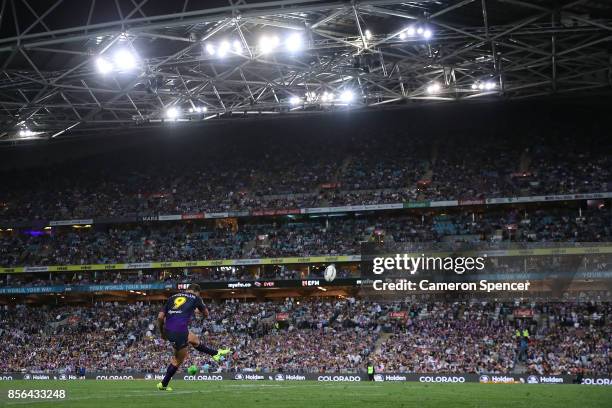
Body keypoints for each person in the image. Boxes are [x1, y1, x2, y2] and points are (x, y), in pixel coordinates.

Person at [156, 284, 231, 391]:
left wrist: (162, 333)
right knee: (178, 360)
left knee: (194, 339)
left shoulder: (172, 298)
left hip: (169, 329)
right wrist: (198, 311)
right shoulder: (196, 298)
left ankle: (215, 353)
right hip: (180, 331)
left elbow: (160, 317)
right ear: (196, 292)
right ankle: (163, 384)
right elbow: (206, 314)